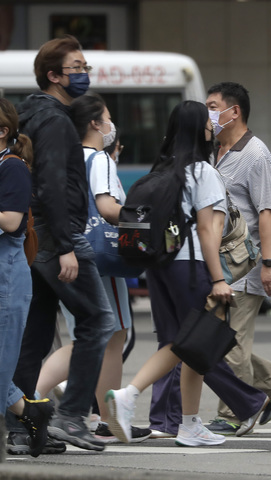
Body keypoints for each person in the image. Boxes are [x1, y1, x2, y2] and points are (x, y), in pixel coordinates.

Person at [104, 101, 268, 447]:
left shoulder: (162, 170)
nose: (213, 128)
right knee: (189, 341)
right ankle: (128, 395)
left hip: (159, 266)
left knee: (183, 343)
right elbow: (209, 230)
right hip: (189, 266)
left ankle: (190, 425)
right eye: (208, 124)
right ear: (201, 130)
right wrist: (219, 279)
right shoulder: (203, 172)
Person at [11, 35, 116, 452]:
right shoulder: (56, 121)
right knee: (97, 322)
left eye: (84, 65)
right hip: (57, 242)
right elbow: (52, 185)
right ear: (53, 76)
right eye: (76, 67)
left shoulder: (29, 115)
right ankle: (71, 416)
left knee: (33, 337)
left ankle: (22, 428)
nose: (83, 74)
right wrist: (69, 244)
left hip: (33, 244)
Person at [33, 93, 150, 444]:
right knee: (108, 334)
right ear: (96, 124)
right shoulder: (99, 158)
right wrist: (145, 219)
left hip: (65, 252)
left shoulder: (68, 155)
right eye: (108, 118)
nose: (112, 125)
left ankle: (99, 415)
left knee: (96, 333)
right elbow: (107, 206)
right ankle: (100, 417)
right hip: (99, 258)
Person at [200, 81, 271, 436]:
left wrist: (270, 265)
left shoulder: (256, 154)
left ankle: (234, 412)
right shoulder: (212, 151)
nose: (208, 114)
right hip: (216, 266)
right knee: (213, 339)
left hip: (245, 264)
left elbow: (267, 213)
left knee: (233, 342)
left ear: (233, 111)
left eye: (212, 106)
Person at [0, 98, 55, 459]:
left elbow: (10, 221)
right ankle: (32, 412)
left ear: (3, 131)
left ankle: (31, 413)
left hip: (7, 279)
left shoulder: (13, 167)